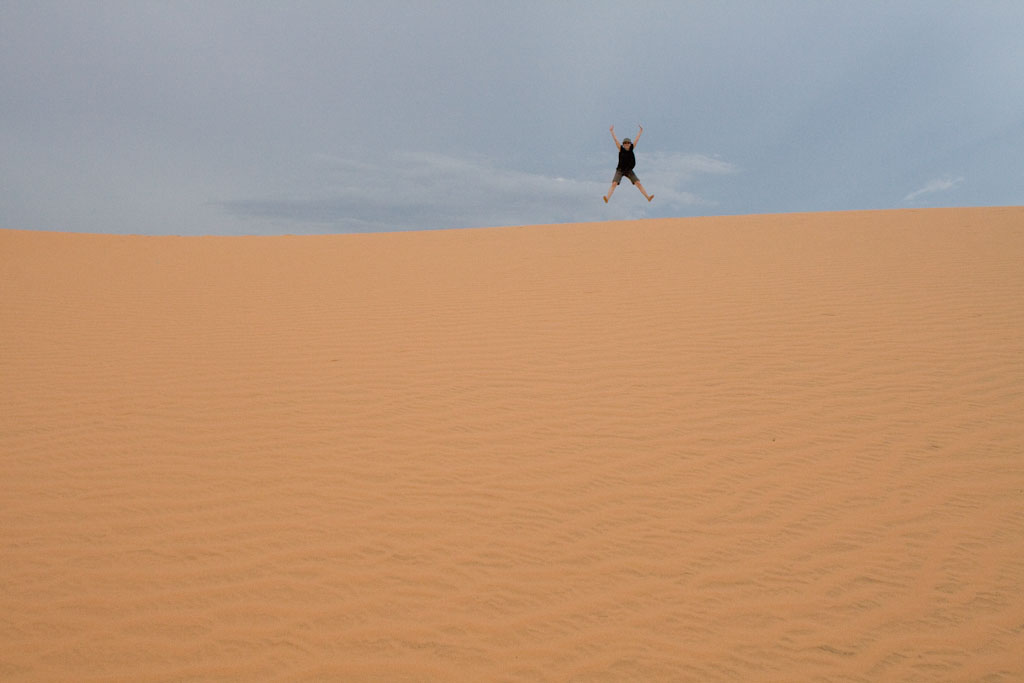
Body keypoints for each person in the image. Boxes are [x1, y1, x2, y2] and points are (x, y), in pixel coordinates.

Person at [603, 124, 653, 203]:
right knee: (614, 184)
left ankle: (648, 197)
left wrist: (640, 131)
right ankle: (607, 198)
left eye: (628, 143)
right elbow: (616, 140)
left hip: (629, 170)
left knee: (638, 183)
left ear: (630, 144)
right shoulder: (621, 149)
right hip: (620, 170)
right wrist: (612, 131)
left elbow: (637, 139)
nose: (626, 144)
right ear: (623, 144)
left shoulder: (632, 148)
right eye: (625, 143)